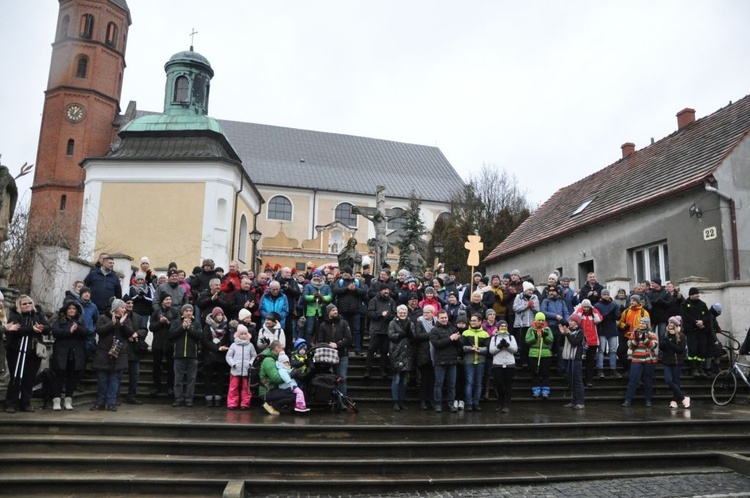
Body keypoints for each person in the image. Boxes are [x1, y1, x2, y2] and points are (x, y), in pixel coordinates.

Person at [4, 295, 50, 413]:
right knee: (16, 377)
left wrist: (41, 328)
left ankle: (26, 402)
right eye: (24, 304)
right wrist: (31, 329)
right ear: (19, 306)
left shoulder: (38, 314)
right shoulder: (15, 315)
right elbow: (14, 330)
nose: (27, 305)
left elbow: (48, 328)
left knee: (29, 378)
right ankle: (11, 403)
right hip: (17, 351)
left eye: (29, 303)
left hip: (33, 351)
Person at [91, 298, 134, 411]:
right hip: (104, 353)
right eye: (122, 307)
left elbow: (130, 333)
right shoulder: (103, 318)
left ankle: (111, 402)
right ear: (115, 308)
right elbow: (100, 331)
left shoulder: (126, 319)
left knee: (115, 379)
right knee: (102, 379)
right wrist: (113, 323)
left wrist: (121, 324)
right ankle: (100, 402)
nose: (124, 309)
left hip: (118, 353)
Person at [50, 302, 88, 411]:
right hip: (61, 352)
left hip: (76, 353)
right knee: (59, 376)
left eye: (74, 309)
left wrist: (77, 329)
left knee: (72, 377)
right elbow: (55, 332)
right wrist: (69, 331)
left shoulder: (81, 321)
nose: (72, 310)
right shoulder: (59, 321)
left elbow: (86, 332)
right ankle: (56, 400)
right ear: (66, 310)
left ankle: (68, 399)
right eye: (69, 308)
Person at [314, 304, 352, 395]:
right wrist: (328, 345)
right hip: (329, 356)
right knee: (330, 378)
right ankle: (332, 398)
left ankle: (342, 399)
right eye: (333, 310)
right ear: (328, 312)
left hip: (342, 354)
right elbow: (320, 341)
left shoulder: (343, 323)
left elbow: (349, 339)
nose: (335, 312)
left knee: (342, 377)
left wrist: (337, 345)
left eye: (336, 310)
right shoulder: (323, 325)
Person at [169, 304, 202, 407]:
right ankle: (178, 398)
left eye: (190, 311)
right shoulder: (176, 322)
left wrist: (189, 329)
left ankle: (189, 399)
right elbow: (171, 335)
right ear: (182, 312)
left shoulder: (196, 323)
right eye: (186, 311)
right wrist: (182, 328)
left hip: (192, 356)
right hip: (179, 355)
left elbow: (199, 336)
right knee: (178, 379)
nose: (188, 313)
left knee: (191, 379)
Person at [622, 316, 658, 407]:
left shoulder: (652, 334)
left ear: (647, 324)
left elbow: (654, 346)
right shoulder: (634, 333)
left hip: (649, 360)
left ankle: (648, 400)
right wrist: (636, 340)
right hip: (637, 359)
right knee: (633, 379)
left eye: (643, 323)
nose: (641, 325)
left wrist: (645, 339)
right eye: (640, 323)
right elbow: (630, 345)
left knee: (648, 380)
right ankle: (628, 400)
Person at [430, 309, 461, 412]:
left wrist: (457, 339)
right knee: (438, 384)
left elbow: (459, 346)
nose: (444, 319)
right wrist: (450, 339)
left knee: (452, 385)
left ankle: (451, 403)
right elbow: (437, 345)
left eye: (445, 317)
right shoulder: (434, 330)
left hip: (452, 360)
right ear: (438, 319)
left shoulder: (452, 328)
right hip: (440, 361)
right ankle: (438, 404)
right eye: (442, 318)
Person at [332, 266, 367, 356]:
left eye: (347, 272)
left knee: (356, 330)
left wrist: (355, 289)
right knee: (342, 330)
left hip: (355, 311)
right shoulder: (339, 281)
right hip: (342, 310)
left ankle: (357, 348)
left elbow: (364, 292)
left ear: (350, 274)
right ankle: (344, 348)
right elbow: (335, 290)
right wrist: (347, 288)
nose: (345, 274)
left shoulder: (357, 282)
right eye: (344, 272)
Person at [148, 294, 179, 396]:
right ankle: (157, 386)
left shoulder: (175, 311)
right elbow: (151, 327)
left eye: (170, 299)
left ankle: (170, 386)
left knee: (171, 366)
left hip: (170, 342)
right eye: (166, 299)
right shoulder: (156, 312)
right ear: (162, 301)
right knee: (156, 366)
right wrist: (160, 322)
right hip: (158, 342)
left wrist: (168, 322)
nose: (168, 301)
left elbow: (177, 326)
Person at [364, 285, 397, 379]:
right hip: (376, 330)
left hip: (387, 330)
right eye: (384, 289)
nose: (386, 291)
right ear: (380, 291)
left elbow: (394, 314)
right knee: (371, 350)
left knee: (384, 351)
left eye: (388, 289)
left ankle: (382, 370)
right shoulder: (374, 300)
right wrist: (380, 314)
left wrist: (388, 316)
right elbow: (369, 313)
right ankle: (367, 370)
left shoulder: (391, 301)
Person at [201, 307, 230, 407]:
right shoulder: (207, 327)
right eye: (218, 315)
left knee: (220, 378)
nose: (220, 317)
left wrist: (224, 346)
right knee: (208, 377)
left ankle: (218, 397)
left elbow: (228, 339)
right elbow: (205, 340)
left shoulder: (226, 327)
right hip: (210, 355)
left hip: (221, 356)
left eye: (221, 315)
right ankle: (209, 397)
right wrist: (217, 348)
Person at [259, 340, 297, 415]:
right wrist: (291, 375)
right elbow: (276, 379)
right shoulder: (268, 361)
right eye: (281, 348)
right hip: (267, 390)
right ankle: (270, 405)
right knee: (292, 396)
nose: (282, 350)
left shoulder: (274, 359)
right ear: (276, 349)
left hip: (273, 388)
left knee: (293, 392)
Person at [122, 295, 148, 405]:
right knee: (119, 374)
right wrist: (128, 335)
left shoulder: (138, 317)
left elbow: (144, 329)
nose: (130, 305)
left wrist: (137, 334)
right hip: (122, 349)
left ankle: (132, 396)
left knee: (135, 374)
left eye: (132, 303)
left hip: (134, 350)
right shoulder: (120, 316)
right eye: (128, 303)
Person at [388, 304, 415, 411]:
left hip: (407, 353)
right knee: (397, 378)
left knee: (404, 380)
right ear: (397, 313)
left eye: (404, 312)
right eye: (400, 312)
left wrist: (410, 334)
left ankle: (401, 401)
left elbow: (414, 337)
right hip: (396, 353)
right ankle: (395, 401)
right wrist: (402, 334)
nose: (402, 314)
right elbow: (391, 335)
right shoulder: (392, 323)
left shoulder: (411, 323)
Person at [680, 287, 711, 378]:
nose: (698, 295)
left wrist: (703, 322)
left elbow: (707, 315)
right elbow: (685, 316)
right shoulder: (684, 304)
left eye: (698, 294)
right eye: (695, 294)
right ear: (691, 295)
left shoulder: (702, 304)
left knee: (702, 349)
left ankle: (700, 367)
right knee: (692, 349)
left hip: (701, 330)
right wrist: (696, 322)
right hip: (691, 331)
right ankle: (693, 368)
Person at [461, 313, 490, 411]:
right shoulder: (465, 333)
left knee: (478, 383)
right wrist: (471, 348)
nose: (472, 322)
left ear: (480, 321)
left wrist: (479, 350)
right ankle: (468, 403)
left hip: (480, 361)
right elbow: (462, 347)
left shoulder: (485, 334)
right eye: (471, 320)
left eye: (474, 320)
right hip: (469, 361)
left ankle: (476, 403)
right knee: (469, 382)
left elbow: (487, 348)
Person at [225, 324, 257, 410]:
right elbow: (228, 356)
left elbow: (254, 356)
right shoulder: (233, 345)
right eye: (241, 334)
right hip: (235, 369)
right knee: (233, 387)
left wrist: (250, 363)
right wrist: (233, 364)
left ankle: (245, 403)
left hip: (247, 370)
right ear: (238, 334)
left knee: (246, 388)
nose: (243, 336)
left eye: (245, 334)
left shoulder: (250, 345)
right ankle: (232, 403)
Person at [618, 294, 650, 377]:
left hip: (638, 337)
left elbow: (648, 324)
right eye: (631, 300)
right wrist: (624, 326)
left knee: (637, 355)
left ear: (638, 302)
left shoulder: (644, 312)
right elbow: (620, 322)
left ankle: (638, 374)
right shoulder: (626, 311)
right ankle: (628, 368)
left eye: (633, 301)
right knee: (620, 352)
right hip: (627, 335)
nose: (631, 302)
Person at [489, 319, 517, 413]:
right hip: (498, 364)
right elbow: (491, 351)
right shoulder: (494, 338)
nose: (503, 327)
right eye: (501, 326)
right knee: (499, 384)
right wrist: (500, 346)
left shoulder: (511, 337)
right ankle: (500, 402)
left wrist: (507, 345)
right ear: (498, 327)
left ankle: (506, 404)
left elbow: (515, 349)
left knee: (508, 385)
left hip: (509, 363)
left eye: (505, 326)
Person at [662, 316, 690, 409]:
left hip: (677, 361)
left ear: (676, 324)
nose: (670, 325)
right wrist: (663, 344)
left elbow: (680, 350)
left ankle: (674, 401)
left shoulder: (681, 335)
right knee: (668, 380)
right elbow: (663, 348)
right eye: (669, 323)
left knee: (676, 381)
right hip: (667, 361)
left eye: (672, 323)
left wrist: (669, 343)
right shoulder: (665, 334)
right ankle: (683, 398)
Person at [573, 299, 602, 387]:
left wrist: (593, 310)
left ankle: (589, 380)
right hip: (581, 341)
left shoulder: (593, 314)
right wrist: (580, 310)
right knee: (579, 361)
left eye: (587, 307)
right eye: (584, 307)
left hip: (593, 341)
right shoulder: (580, 313)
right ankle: (579, 380)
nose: (586, 309)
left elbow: (599, 319)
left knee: (590, 362)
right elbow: (575, 319)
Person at [525, 312, 554, 399]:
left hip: (545, 353)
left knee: (545, 373)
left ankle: (545, 391)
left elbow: (551, 340)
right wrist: (534, 337)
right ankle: (536, 390)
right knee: (535, 373)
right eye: (539, 320)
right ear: (536, 320)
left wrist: (545, 337)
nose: (540, 322)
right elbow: (527, 340)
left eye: (542, 320)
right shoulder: (531, 329)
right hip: (533, 353)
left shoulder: (547, 329)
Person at [595, 289, 622, 378]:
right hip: (602, 329)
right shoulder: (597, 305)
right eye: (604, 294)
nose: (606, 296)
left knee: (613, 350)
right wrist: (605, 315)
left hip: (612, 329)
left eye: (607, 294)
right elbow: (596, 318)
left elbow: (618, 317)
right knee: (601, 350)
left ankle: (613, 369)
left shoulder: (614, 304)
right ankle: (600, 369)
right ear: (601, 295)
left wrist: (615, 313)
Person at [560, 314, 585, 409]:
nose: (569, 322)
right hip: (567, 358)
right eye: (569, 320)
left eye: (572, 321)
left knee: (577, 381)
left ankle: (580, 402)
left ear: (577, 323)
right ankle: (574, 400)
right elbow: (561, 343)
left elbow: (575, 343)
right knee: (570, 380)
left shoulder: (580, 332)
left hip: (575, 359)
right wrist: (562, 334)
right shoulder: (568, 331)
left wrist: (566, 334)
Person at [301, 270, 333, 344]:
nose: (316, 278)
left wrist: (323, 298)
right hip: (311, 311)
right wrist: (314, 297)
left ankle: (319, 345)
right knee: (309, 330)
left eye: (318, 276)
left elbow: (330, 296)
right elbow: (305, 296)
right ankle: (308, 346)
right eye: (314, 276)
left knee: (320, 330)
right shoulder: (308, 286)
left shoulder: (326, 286)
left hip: (322, 311)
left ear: (321, 277)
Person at [414, 305, 436, 410]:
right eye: (424, 312)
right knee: (424, 379)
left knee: (432, 380)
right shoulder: (419, 322)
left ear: (432, 313)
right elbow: (418, 336)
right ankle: (422, 401)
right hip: (424, 355)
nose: (425, 314)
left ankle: (431, 399)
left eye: (428, 312)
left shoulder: (436, 322)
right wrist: (431, 334)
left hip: (435, 355)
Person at [513, 281, 540, 367]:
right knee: (522, 344)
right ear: (525, 290)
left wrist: (531, 306)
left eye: (532, 290)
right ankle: (523, 361)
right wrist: (526, 305)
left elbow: (537, 310)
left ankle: (530, 361)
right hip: (521, 324)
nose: (531, 292)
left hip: (531, 324)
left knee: (530, 343)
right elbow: (515, 308)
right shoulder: (518, 297)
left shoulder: (535, 297)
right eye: (529, 290)